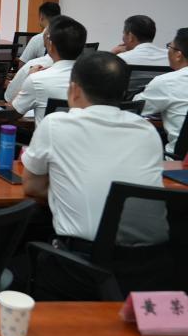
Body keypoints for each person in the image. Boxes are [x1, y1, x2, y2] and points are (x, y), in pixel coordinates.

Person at [23, 52, 165, 247]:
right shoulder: (147, 130)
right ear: (124, 92)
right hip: (150, 257)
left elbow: (32, 187)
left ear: (74, 89)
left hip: (84, 256)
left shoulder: (55, 124)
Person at [12, 15, 87, 123]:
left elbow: (13, 113)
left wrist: (28, 78)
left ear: (51, 45)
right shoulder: (95, 80)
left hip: (49, 133)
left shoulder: (36, 79)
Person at [135, 28, 188, 157]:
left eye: (170, 46)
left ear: (178, 55)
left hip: (178, 161)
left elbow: (135, 108)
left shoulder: (168, 81)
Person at [5, 24, 54, 104]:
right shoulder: (76, 73)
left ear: (46, 41)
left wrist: (29, 79)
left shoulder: (33, 66)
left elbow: (10, 100)